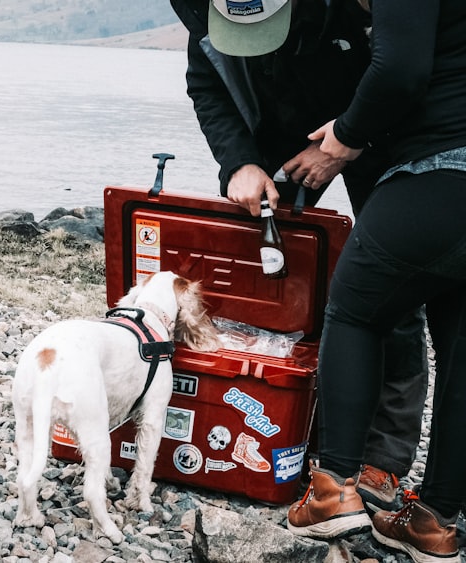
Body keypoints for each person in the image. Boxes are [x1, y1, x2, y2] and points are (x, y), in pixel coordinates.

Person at [202, 0, 466, 560]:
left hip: (465, 173)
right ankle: (433, 523)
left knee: (356, 311)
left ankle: (333, 491)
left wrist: (346, 135)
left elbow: (401, 69)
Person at [170, 0, 429, 516]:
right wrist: (238, 162)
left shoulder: (355, 10)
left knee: (390, 293)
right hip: (271, 133)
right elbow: (208, 85)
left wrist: (349, 138)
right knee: (261, 284)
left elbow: (400, 75)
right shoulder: (203, 11)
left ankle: (381, 458)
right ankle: (270, 422)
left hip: (371, 132)